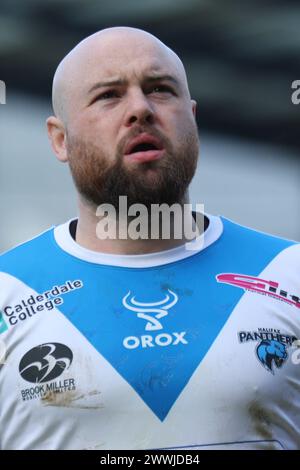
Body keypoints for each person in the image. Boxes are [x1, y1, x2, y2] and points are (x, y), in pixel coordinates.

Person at [0, 26, 299, 451]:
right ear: (60, 139)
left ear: (192, 118)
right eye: (108, 95)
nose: (140, 109)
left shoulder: (290, 274)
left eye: (159, 89)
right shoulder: (7, 294)